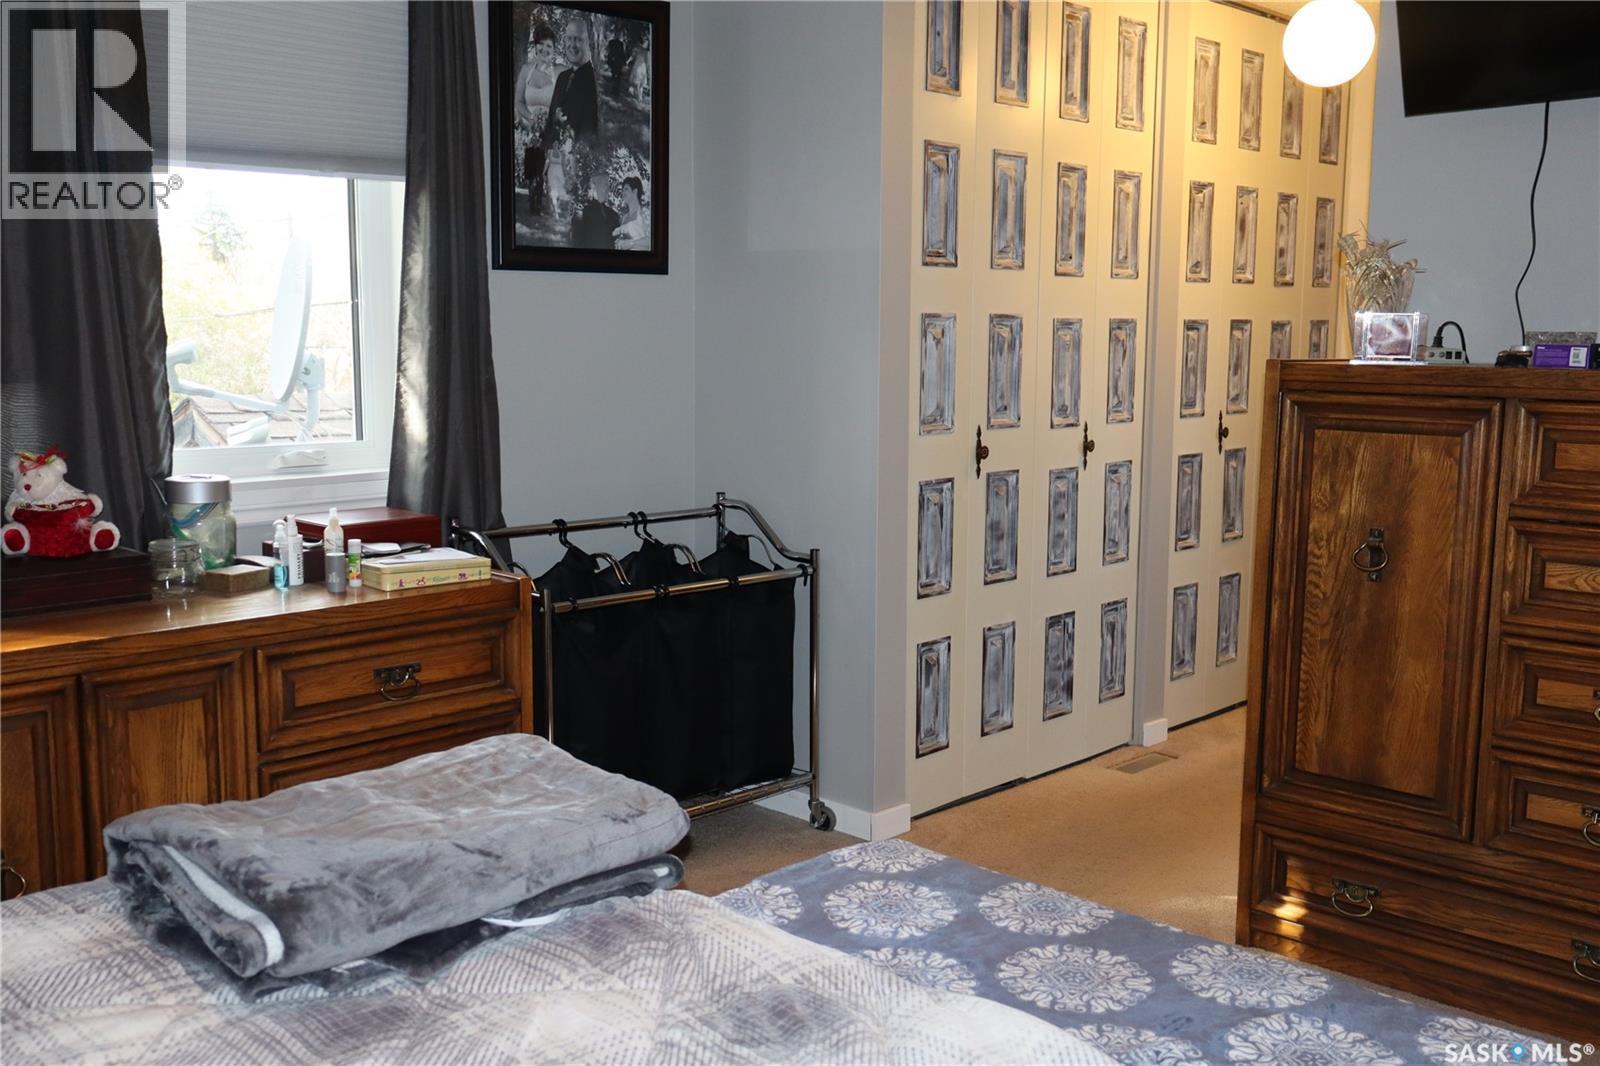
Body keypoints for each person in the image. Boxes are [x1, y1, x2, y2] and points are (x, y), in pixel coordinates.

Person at [516, 25, 559, 215]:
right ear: (535, 47)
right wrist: (530, 118)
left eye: (548, 46)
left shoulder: (558, 74)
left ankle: (539, 204)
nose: (544, 49)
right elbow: (517, 101)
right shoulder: (526, 70)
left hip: (549, 130)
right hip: (529, 126)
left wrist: (553, 118)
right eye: (540, 45)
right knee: (531, 168)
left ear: (554, 49)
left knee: (543, 166)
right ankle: (535, 201)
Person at [544, 17, 599, 147]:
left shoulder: (594, 80)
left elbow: (590, 135)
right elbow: (549, 124)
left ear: (587, 42)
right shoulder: (562, 77)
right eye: (569, 38)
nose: (572, 45)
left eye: (578, 39)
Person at [571, 169, 620, 249]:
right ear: (595, 186)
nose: (608, 189)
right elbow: (577, 242)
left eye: (608, 185)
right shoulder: (583, 212)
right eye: (605, 185)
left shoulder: (613, 215)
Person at [612, 176, 648, 250]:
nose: (623, 192)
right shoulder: (623, 218)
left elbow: (652, 241)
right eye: (622, 190)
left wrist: (632, 243)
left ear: (635, 191)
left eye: (626, 189)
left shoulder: (645, 213)